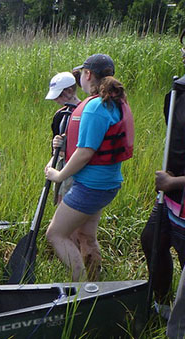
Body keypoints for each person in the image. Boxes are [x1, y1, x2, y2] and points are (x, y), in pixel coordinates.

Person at [45, 54, 134, 282]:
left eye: (81, 74)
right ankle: (95, 283)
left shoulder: (95, 106)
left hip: (90, 186)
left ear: (88, 75)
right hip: (107, 184)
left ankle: (81, 286)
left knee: (55, 234)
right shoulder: (116, 101)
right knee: (86, 235)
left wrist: (59, 175)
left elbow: (85, 152)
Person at [141, 33, 185, 319]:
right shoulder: (176, 94)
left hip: (178, 191)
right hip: (172, 199)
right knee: (151, 240)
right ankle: (162, 303)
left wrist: (175, 182)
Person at [45, 71, 81, 204]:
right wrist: (51, 161)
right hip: (61, 163)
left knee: (71, 201)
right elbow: (56, 146)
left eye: (58, 96)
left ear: (69, 91)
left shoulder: (85, 112)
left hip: (77, 166)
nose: (55, 100)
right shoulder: (59, 115)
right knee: (60, 198)